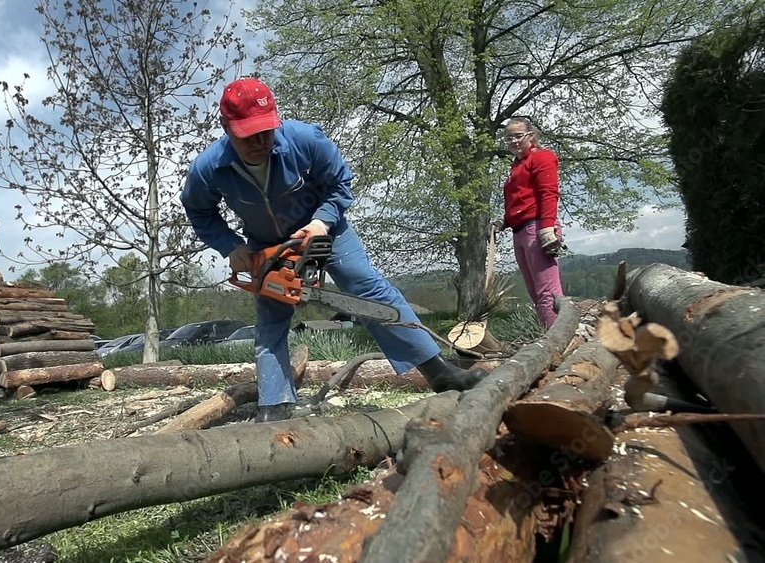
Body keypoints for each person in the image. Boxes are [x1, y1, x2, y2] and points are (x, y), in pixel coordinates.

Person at [181, 77, 488, 422]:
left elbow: (340, 183)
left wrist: (321, 222)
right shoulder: (209, 168)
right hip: (268, 244)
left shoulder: (305, 140)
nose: (260, 142)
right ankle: (275, 404)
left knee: (365, 285)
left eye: (265, 131)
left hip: (326, 229)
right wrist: (230, 246)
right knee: (271, 318)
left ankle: (439, 371)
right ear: (227, 127)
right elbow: (199, 211)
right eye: (248, 135)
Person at [492, 117, 566, 330]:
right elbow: (521, 200)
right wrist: (504, 221)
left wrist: (547, 228)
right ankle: (547, 335)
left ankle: (558, 339)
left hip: (537, 227)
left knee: (548, 292)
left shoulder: (542, 157)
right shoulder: (517, 166)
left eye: (518, 136)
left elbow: (549, 193)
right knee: (535, 292)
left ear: (531, 136)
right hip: (520, 231)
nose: (514, 141)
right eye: (509, 138)